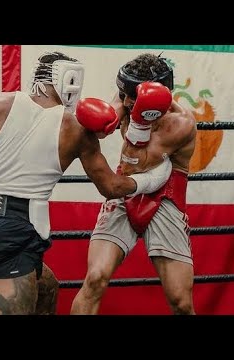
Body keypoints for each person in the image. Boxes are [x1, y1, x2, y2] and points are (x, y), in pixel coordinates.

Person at [0, 51, 172, 315]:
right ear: (70, 80)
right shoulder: (75, 128)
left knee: (47, 290)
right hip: (12, 236)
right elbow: (111, 188)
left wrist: (9, 157)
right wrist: (153, 179)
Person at [71, 53, 197, 315]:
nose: (125, 101)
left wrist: (138, 123)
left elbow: (135, 165)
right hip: (126, 187)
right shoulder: (128, 95)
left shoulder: (181, 124)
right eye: (123, 94)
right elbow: (105, 128)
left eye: (133, 98)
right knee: (95, 278)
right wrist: (101, 121)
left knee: (181, 302)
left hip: (166, 195)